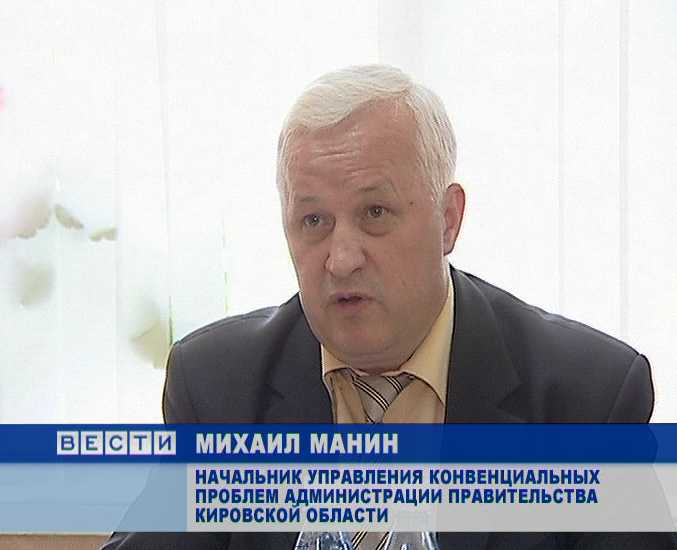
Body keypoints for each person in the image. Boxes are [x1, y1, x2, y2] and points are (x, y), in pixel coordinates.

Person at [103, 65, 676, 549]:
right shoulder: (219, 389)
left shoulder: (586, 401)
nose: (342, 259)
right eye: (313, 221)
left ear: (448, 220)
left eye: (375, 213)